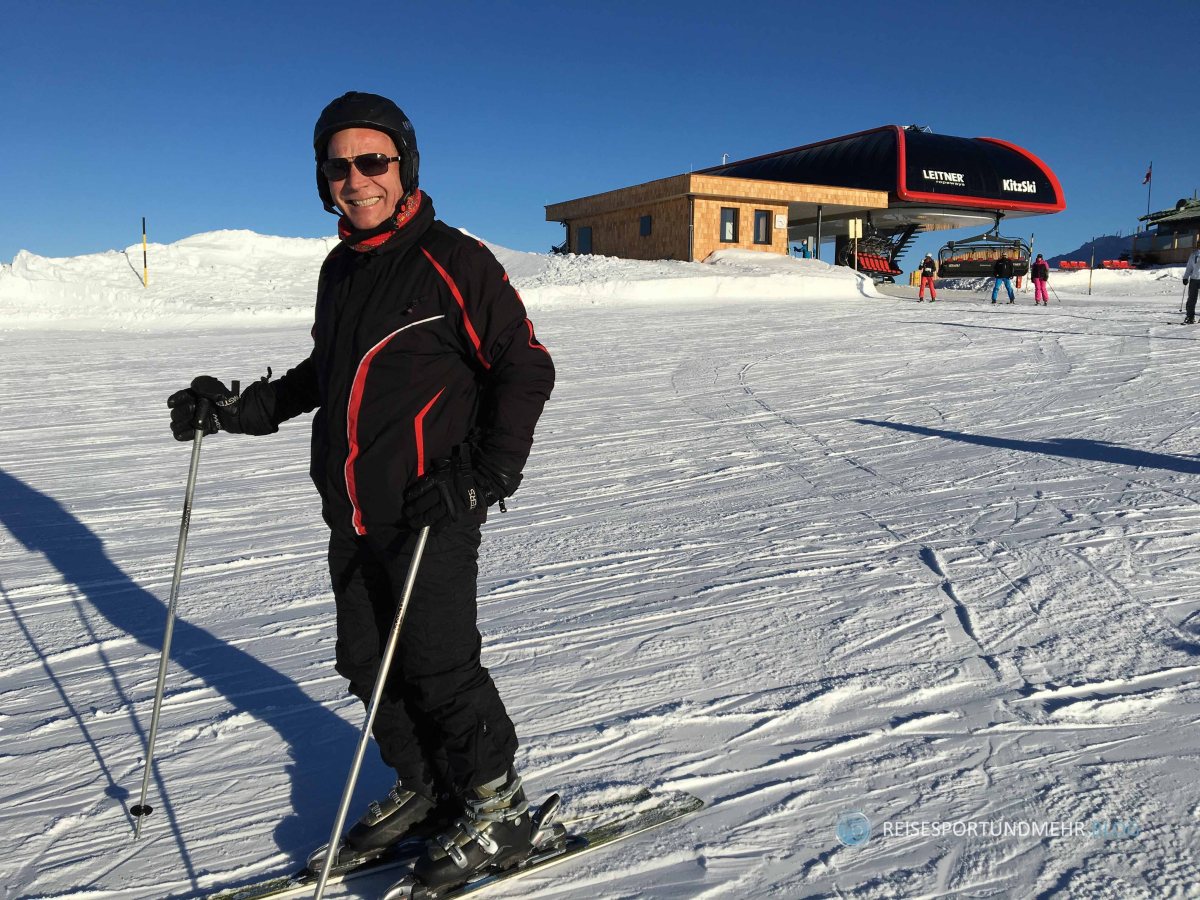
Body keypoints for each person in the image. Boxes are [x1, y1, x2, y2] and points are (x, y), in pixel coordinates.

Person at [167, 91, 555, 894]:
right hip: (352, 508)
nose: (356, 179)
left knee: (440, 665)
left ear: (404, 166)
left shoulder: (455, 261)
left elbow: (525, 367)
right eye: (339, 165)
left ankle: (496, 804)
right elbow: (326, 376)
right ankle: (427, 787)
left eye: (372, 161)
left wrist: (483, 475)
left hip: (431, 508)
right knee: (367, 661)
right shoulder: (340, 269)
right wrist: (236, 410)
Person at [1184, 245, 1200, 324]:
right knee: (1191, 299)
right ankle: (1190, 317)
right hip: (1194, 279)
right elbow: (1189, 267)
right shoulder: (1193, 254)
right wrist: (1185, 277)